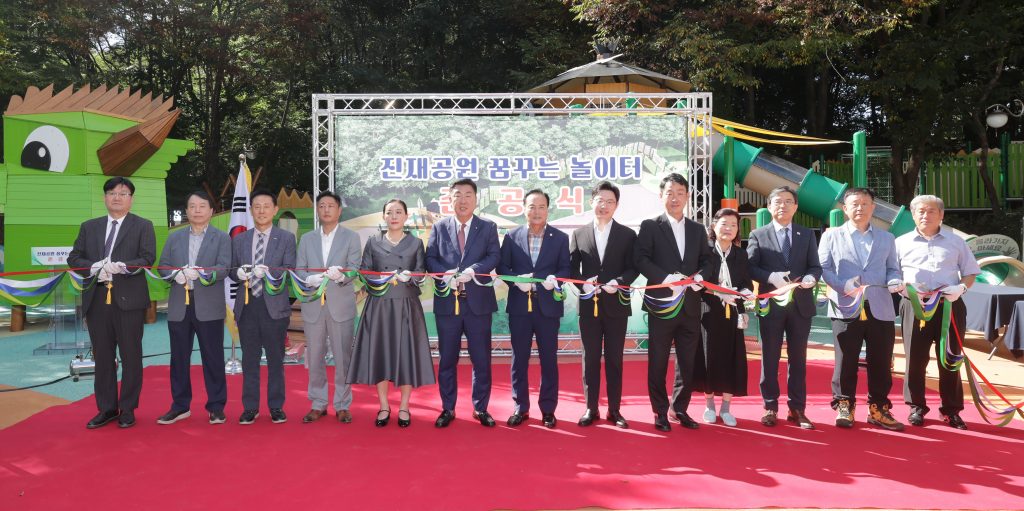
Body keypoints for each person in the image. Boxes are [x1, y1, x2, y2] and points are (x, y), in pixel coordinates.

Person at [68, 176, 156, 429]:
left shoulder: (143, 225)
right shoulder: (89, 227)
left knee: (131, 356)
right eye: (112, 193)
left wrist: (124, 267)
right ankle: (106, 408)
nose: (117, 197)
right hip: (97, 300)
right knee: (103, 357)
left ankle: (127, 409)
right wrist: (93, 267)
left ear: (131, 199)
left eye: (123, 193)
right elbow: (74, 258)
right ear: (105, 197)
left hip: (129, 301)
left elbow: (147, 258)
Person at [818, 188, 904, 431]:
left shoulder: (887, 238)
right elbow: (823, 268)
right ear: (845, 209)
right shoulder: (831, 236)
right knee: (845, 360)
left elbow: (893, 268)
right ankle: (845, 405)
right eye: (854, 204)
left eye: (865, 203)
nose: (860, 208)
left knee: (881, 360)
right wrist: (841, 285)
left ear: (873, 207)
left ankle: (879, 408)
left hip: (880, 305)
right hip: (845, 305)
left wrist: (895, 280)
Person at [634, 173, 713, 432]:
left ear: (688, 196)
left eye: (680, 192)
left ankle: (679, 408)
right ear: (661, 196)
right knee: (657, 361)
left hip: (690, 305)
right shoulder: (650, 226)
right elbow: (641, 259)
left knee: (687, 362)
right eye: (670, 192)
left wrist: (700, 277)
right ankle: (659, 411)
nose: (675, 198)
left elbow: (707, 260)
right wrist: (665, 278)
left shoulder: (697, 229)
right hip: (661, 305)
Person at [896, 194, 980, 430]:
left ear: (941, 214)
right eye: (920, 211)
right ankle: (916, 407)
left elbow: (971, 272)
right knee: (915, 359)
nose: (926, 215)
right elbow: (891, 272)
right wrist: (899, 286)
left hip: (949, 306)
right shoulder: (900, 242)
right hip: (915, 305)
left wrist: (961, 287)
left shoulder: (956, 242)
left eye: (932, 211)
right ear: (913, 215)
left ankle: (951, 410)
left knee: (950, 359)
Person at [349, 199, 435, 428]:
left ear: (406, 216)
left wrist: (412, 276)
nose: (394, 216)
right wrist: (378, 278)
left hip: (406, 305)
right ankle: (384, 406)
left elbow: (421, 271)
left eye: (398, 212)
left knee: (406, 354)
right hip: (379, 305)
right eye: (389, 212)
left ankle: (404, 406)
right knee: (380, 353)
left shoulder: (416, 243)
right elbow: (364, 271)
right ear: (383, 216)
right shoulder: (373, 241)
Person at [426, 178, 501, 428]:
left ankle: (480, 408)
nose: (463, 200)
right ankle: (448, 408)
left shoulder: (488, 227)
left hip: (478, 304)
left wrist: (474, 270)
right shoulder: (439, 227)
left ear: (476, 199)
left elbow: (494, 256)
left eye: (468, 195)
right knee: (447, 359)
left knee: (481, 359)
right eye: (457, 195)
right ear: (450, 199)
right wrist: (445, 273)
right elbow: (430, 258)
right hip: (448, 304)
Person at [747, 185, 822, 429]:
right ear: (769, 206)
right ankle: (770, 406)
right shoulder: (758, 234)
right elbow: (750, 267)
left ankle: (797, 408)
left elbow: (815, 266)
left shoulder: (806, 234)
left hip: (800, 305)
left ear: (796, 206)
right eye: (778, 201)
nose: (783, 205)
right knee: (770, 357)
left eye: (788, 201)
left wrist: (811, 277)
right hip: (771, 305)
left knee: (798, 358)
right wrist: (770, 277)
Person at [155, 190, 231, 425]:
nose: (197, 210)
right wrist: (174, 274)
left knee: (213, 358)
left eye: (202, 206)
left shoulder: (222, 238)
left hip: (209, 306)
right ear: (186, 211)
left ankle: (216, 407)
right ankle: (180, 406)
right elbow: (162, 266)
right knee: (179, 358)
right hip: (179, 306)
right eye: (192, 206)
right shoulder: (174, 238)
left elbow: (225, 267)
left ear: (211, 211)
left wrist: (202, 273)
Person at [498, 189, 570, 428]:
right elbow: (502, 267)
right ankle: (521, 407)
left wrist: (555, 279)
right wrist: (516, 280)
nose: (536, 211)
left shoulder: (560, 238)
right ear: (524, 209)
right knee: (519, 358)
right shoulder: (511, 236)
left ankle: (548, 409)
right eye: (532, 206)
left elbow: (565, 268)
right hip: (520, 307)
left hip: (548, 307)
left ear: (548, 210)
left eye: (541, 207)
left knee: (548, 359)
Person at [569, 181, 637, 429]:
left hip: (616, 305)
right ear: (592, 202)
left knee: (615, 359)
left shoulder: (628, 235)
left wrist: (619, 282)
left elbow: (634, 267)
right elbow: (571, 269)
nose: (604, 206)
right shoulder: (579, 234)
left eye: (610, 202)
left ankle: (614, 410)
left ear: (616, 205)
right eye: (600, 200)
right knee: (589, 358)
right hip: (589, 306)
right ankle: (591, 408)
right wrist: (582, 285)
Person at [228, 188, 297, 425]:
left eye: (266, 206)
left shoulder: (286, 238)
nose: (261, 211)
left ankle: (276, 406)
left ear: (275, 210)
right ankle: (250, 407)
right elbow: (231, 271)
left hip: (274, 306)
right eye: (256, 206)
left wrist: (269, 273)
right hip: (247, 306)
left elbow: (289, 269)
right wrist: (239, 273)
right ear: (250, 210)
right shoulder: (239, 239)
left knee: (276, 359)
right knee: (250, 359)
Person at [294, 191, 362, 424]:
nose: (326, 209)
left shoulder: (351, 237)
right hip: (314, 305)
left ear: (339, 210)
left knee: (343, 358)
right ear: (317, 210)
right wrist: (309, 279)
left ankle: (342, 405)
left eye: (330, 205)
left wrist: (342, 276)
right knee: (315, 356)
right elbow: (299, 269)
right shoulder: (307, 239)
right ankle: (318, 403)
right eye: (321, 205)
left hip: (340, 306)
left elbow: (355, 268)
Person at [694, 208, 753, 427]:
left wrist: (745, 295)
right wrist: (719, 293)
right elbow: (698, 284)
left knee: (732, 358)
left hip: (733, 312)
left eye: (733, 225)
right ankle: (709, 405)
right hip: (708, 312)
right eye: (724, 224)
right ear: (714, 226)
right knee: (708, 358)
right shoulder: (705, 251)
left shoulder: (740, 254)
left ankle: (726, 408)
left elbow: (746, 282)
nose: (728, 228)